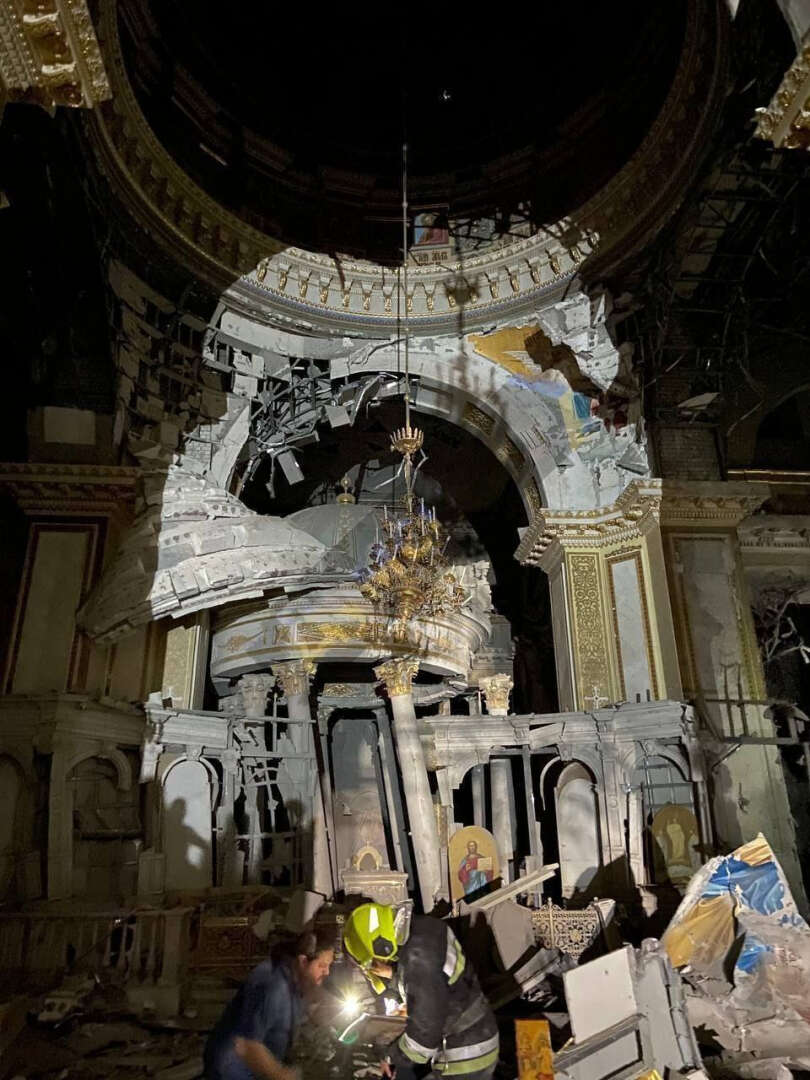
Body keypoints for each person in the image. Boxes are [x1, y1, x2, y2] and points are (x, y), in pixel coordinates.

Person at [343, 902, 498, 1080]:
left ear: (380, 945)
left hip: (466, 1055)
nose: (375, 966)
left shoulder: (418, 959)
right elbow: (433, 981)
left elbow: (423, 1041)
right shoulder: (424, 928)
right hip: (479, 1034)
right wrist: (393, 975)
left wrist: (390, 1057)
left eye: (372, 962)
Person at [204, 928, 335, 1080]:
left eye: (329, 966)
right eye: (322, 966)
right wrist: (281, 1075)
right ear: (303, 961)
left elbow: (307, 1009)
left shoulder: (297, 979)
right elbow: (246, 1045)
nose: (327, 972)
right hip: (231, 1071)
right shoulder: (273, 985)